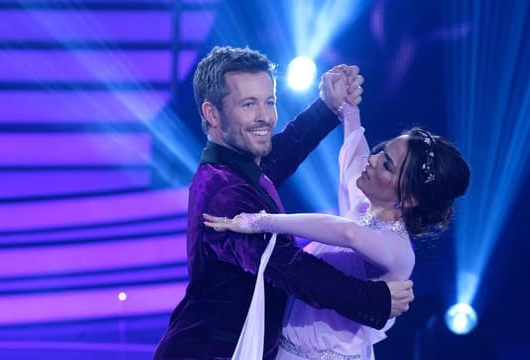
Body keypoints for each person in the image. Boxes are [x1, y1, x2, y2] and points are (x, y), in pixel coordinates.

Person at [153, 46, 414, 359]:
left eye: (270, 101)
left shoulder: (235, 168)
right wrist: (372, 299)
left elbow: (279, 155)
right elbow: (289, 267)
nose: (265, 116)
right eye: (249, 104)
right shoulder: (224, 191)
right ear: (212, 113)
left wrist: (328, 106)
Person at [204, 98, 471, 359]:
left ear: (410, 199)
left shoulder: (398, 250)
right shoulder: (363, 209)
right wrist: (349, 105)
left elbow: (348, 233)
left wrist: (259, 221)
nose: (374, 160)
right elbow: (355, 156)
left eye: (387, 165)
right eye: (383, 152)